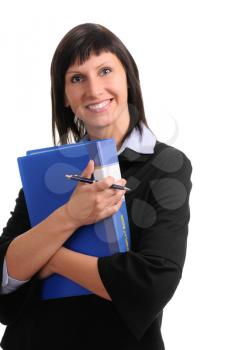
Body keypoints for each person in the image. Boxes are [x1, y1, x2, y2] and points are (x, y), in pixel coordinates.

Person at [0, 23, 192, 349]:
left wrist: (45, 256)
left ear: (128, 78)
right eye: (77, 78)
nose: (93, 89)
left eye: (105, 70)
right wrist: (71, 217)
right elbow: (3, 278)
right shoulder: (47, 170)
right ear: (63, 95)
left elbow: (150, 283)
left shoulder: (165, 165)